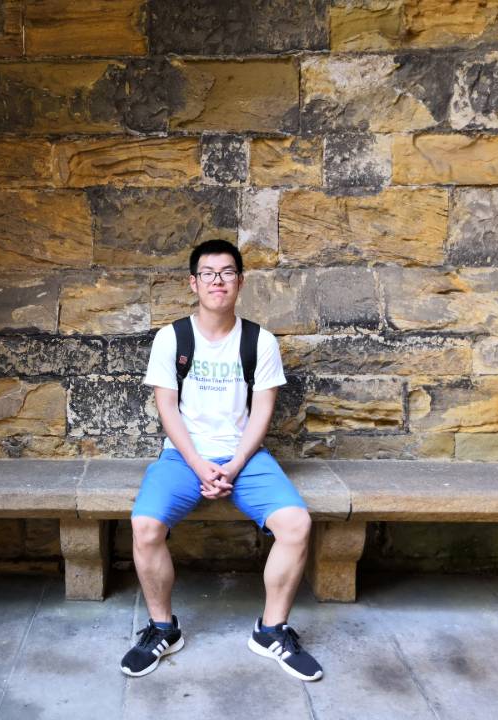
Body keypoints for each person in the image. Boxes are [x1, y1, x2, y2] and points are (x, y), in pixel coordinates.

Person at [119, 239, 322, 682]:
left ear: (240, 282)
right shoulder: (172, 338)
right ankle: (163, 628)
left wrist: (233, 464)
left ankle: (271, 630)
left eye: (227, 272)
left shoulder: (259, 341)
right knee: (145, 526)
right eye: (208, 273)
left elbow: (262, 411)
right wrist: (197, 463)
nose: (218, 281)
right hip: (182, 455)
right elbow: (167, 408)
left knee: (296, 525)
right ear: (193, 283)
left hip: (243, 456)